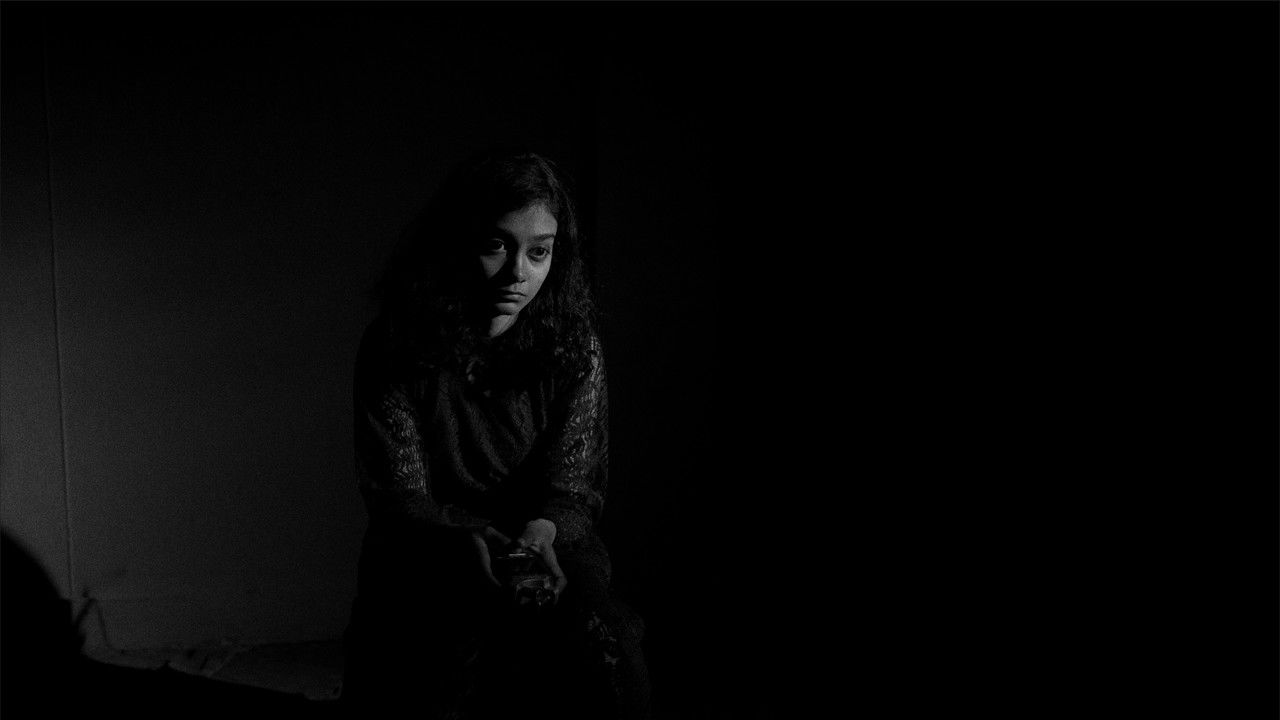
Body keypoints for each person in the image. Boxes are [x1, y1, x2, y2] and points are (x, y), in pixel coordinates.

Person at [340, 150, 650, 719]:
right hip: (429, 544)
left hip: (545, 542)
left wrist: (537, 537)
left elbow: (574, 487)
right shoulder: (396, 346)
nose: (518, 273)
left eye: (539, 252)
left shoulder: (572, 345)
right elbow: (397, 496)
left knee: (605, 648)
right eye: (496, 246)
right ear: (455, 242)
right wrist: (467, 536)